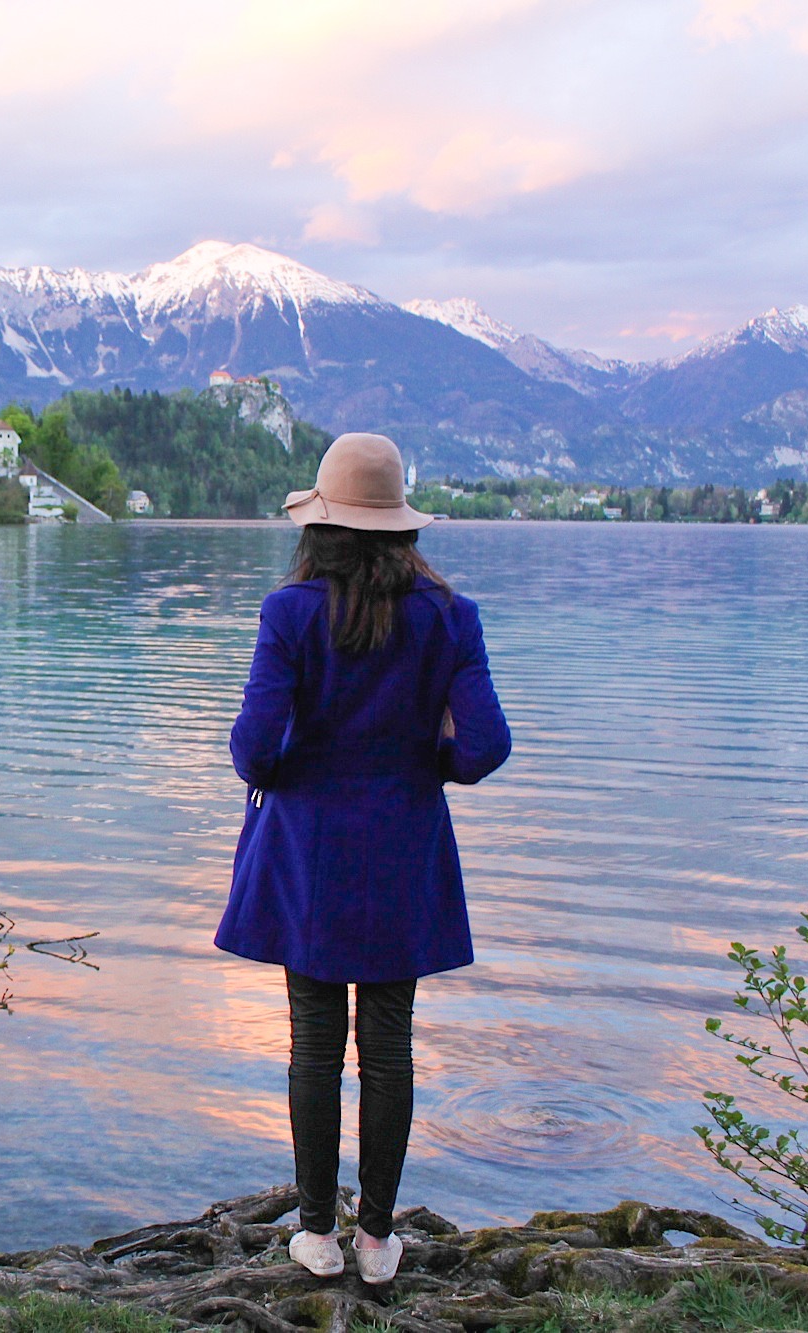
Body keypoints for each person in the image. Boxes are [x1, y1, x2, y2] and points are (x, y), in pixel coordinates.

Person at [216, 433, 511, 1285]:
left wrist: (293, 758)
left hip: (307, 856)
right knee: (389, 1047)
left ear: (323, 526)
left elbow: (253, 752)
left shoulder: (291, 611)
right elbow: (486, 744)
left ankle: (316, 1233)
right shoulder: (451, 616)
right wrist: (429, 762)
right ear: (401, 529)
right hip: (404, 852)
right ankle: (377, 1239)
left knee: (315, 1044)